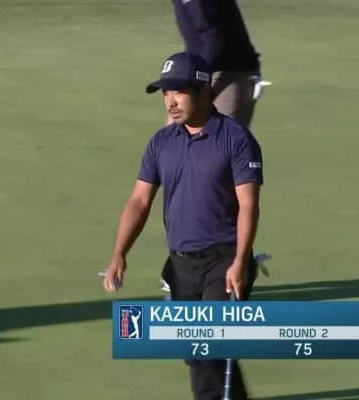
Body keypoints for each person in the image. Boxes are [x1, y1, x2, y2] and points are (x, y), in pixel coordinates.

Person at [103, 51, 264, 400]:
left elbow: (248, 205)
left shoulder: (235, 139)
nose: (171, 101)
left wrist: (240, 261)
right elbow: (139, 201)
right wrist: (119, 252)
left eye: (180, 91)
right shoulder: (161, 143)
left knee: (211, 347)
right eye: (166, 92)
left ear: (205, 91)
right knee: (195, 354)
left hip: (224, 260)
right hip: (181, 264)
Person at [170, 0, 267, 129]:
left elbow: (215, 38)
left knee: (220, 137)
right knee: (174, 136)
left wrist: (194, 80)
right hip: (205, 71)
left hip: (230, 73)